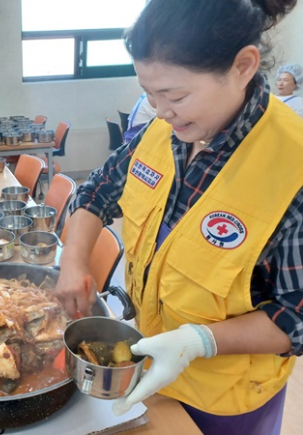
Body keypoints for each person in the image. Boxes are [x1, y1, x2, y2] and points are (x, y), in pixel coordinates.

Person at [55, 1, 302, 434]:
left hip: (226, 399)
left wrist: (199, 341)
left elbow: (294, 315)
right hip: (149, 366)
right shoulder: (163, 130)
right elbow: (96, 192)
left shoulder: (292, 166)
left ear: (243, 66)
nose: (161, 109)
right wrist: (74, 263)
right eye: (149, 94)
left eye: (176, 95)